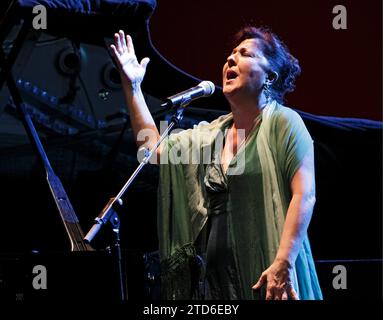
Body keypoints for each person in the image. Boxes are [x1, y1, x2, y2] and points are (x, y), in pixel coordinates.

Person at [110, 26, 323, 300]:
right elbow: (151, 149)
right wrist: (134, 86)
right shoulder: (211, 135)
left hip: (270, 275)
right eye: (230, 55)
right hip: (218, 283)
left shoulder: (283, 123)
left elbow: (305, 195)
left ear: (271, 76)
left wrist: (283, 262)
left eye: (245, 54)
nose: (231, 60)